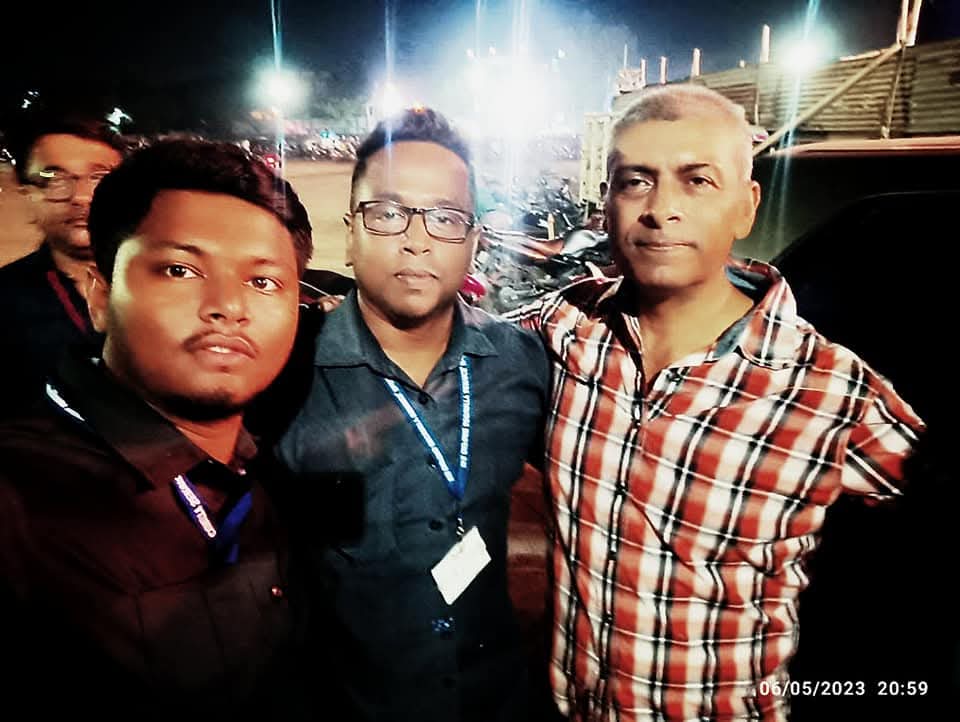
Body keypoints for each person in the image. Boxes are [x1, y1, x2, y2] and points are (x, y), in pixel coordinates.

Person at [510, 84, 925, 720]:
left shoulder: (832, 391)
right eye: (636, 182)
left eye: (697, 181)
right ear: (607, 203)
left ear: (746, 207)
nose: (661, 210)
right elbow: (447, 344)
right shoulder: (568, 328)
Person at [0, 138, 314, 721]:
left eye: (264, 282)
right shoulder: (23, 505)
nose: (228, 306)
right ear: (100, 294)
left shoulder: (257, 471)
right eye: (179, 269)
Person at [274, 107, 550, 722]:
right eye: (388, 213)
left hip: (497, 698)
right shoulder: (286, 375)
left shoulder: (521, 362)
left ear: (474, 241)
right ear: (350, 233)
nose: (417, 240)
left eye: (446, 217)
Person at [0, 107, 126, 415]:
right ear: (26, 192)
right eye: (54, 178)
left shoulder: (176, 283)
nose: (80, 196)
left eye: (99, 177)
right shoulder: (4, 301)